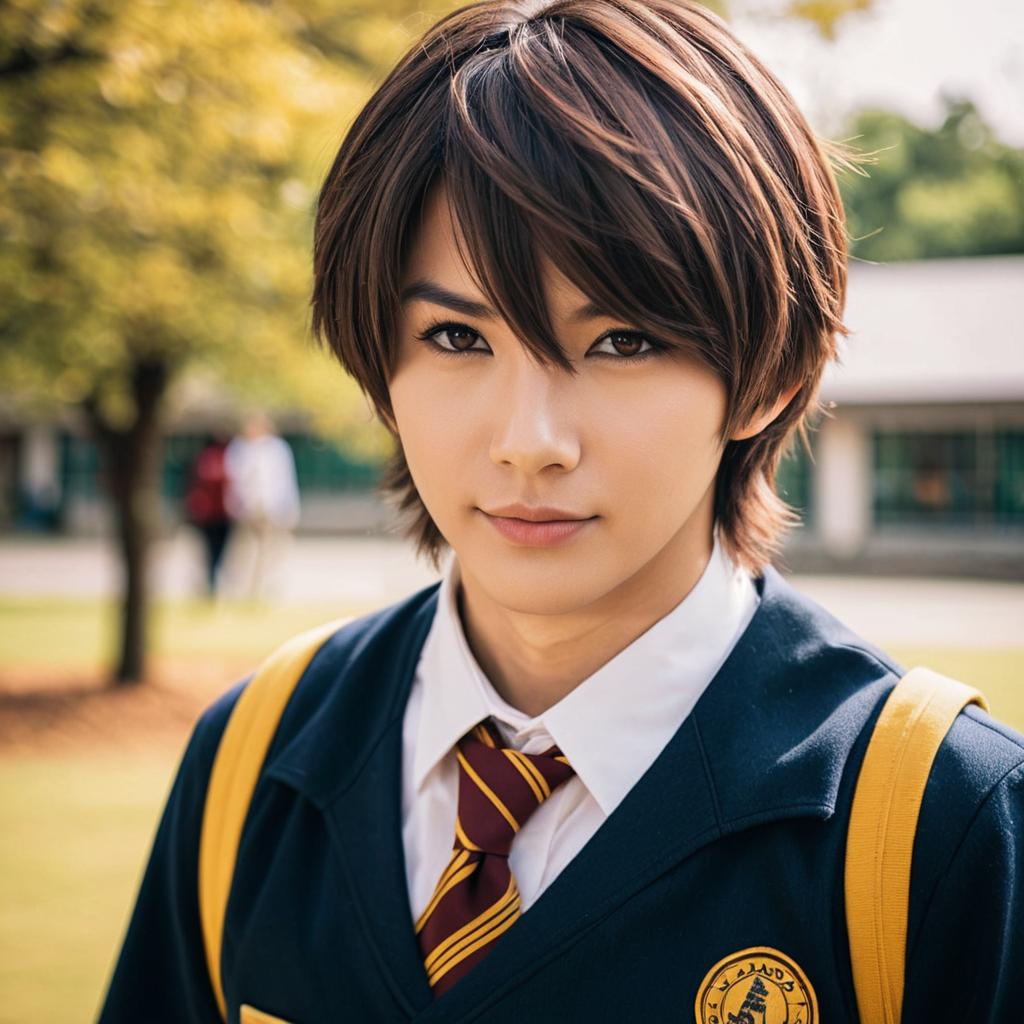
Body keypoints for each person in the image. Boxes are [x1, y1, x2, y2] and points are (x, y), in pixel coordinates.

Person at [98, 1, 1024, 1021]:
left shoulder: (937, 823)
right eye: (457, 337)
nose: (527, 438)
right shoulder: (252, 762)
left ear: (768, 374)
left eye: (621, 339)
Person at [222, 412, 301, 602]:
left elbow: (283, 481)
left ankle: (267, 590)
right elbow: (235, 481)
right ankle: (246, 591)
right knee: (245, 554)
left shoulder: (276, 449)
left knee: (273, 552)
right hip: (248, 511)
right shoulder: (240, 449)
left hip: (272, 509)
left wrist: (288, 509)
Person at [183, 432, 234, 598]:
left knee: (211, 552)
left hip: (210, 514)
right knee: (216, 552)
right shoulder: (223, 460)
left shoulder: (205, 459)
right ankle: (212, 583)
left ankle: (212, 582)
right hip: (217, 514)